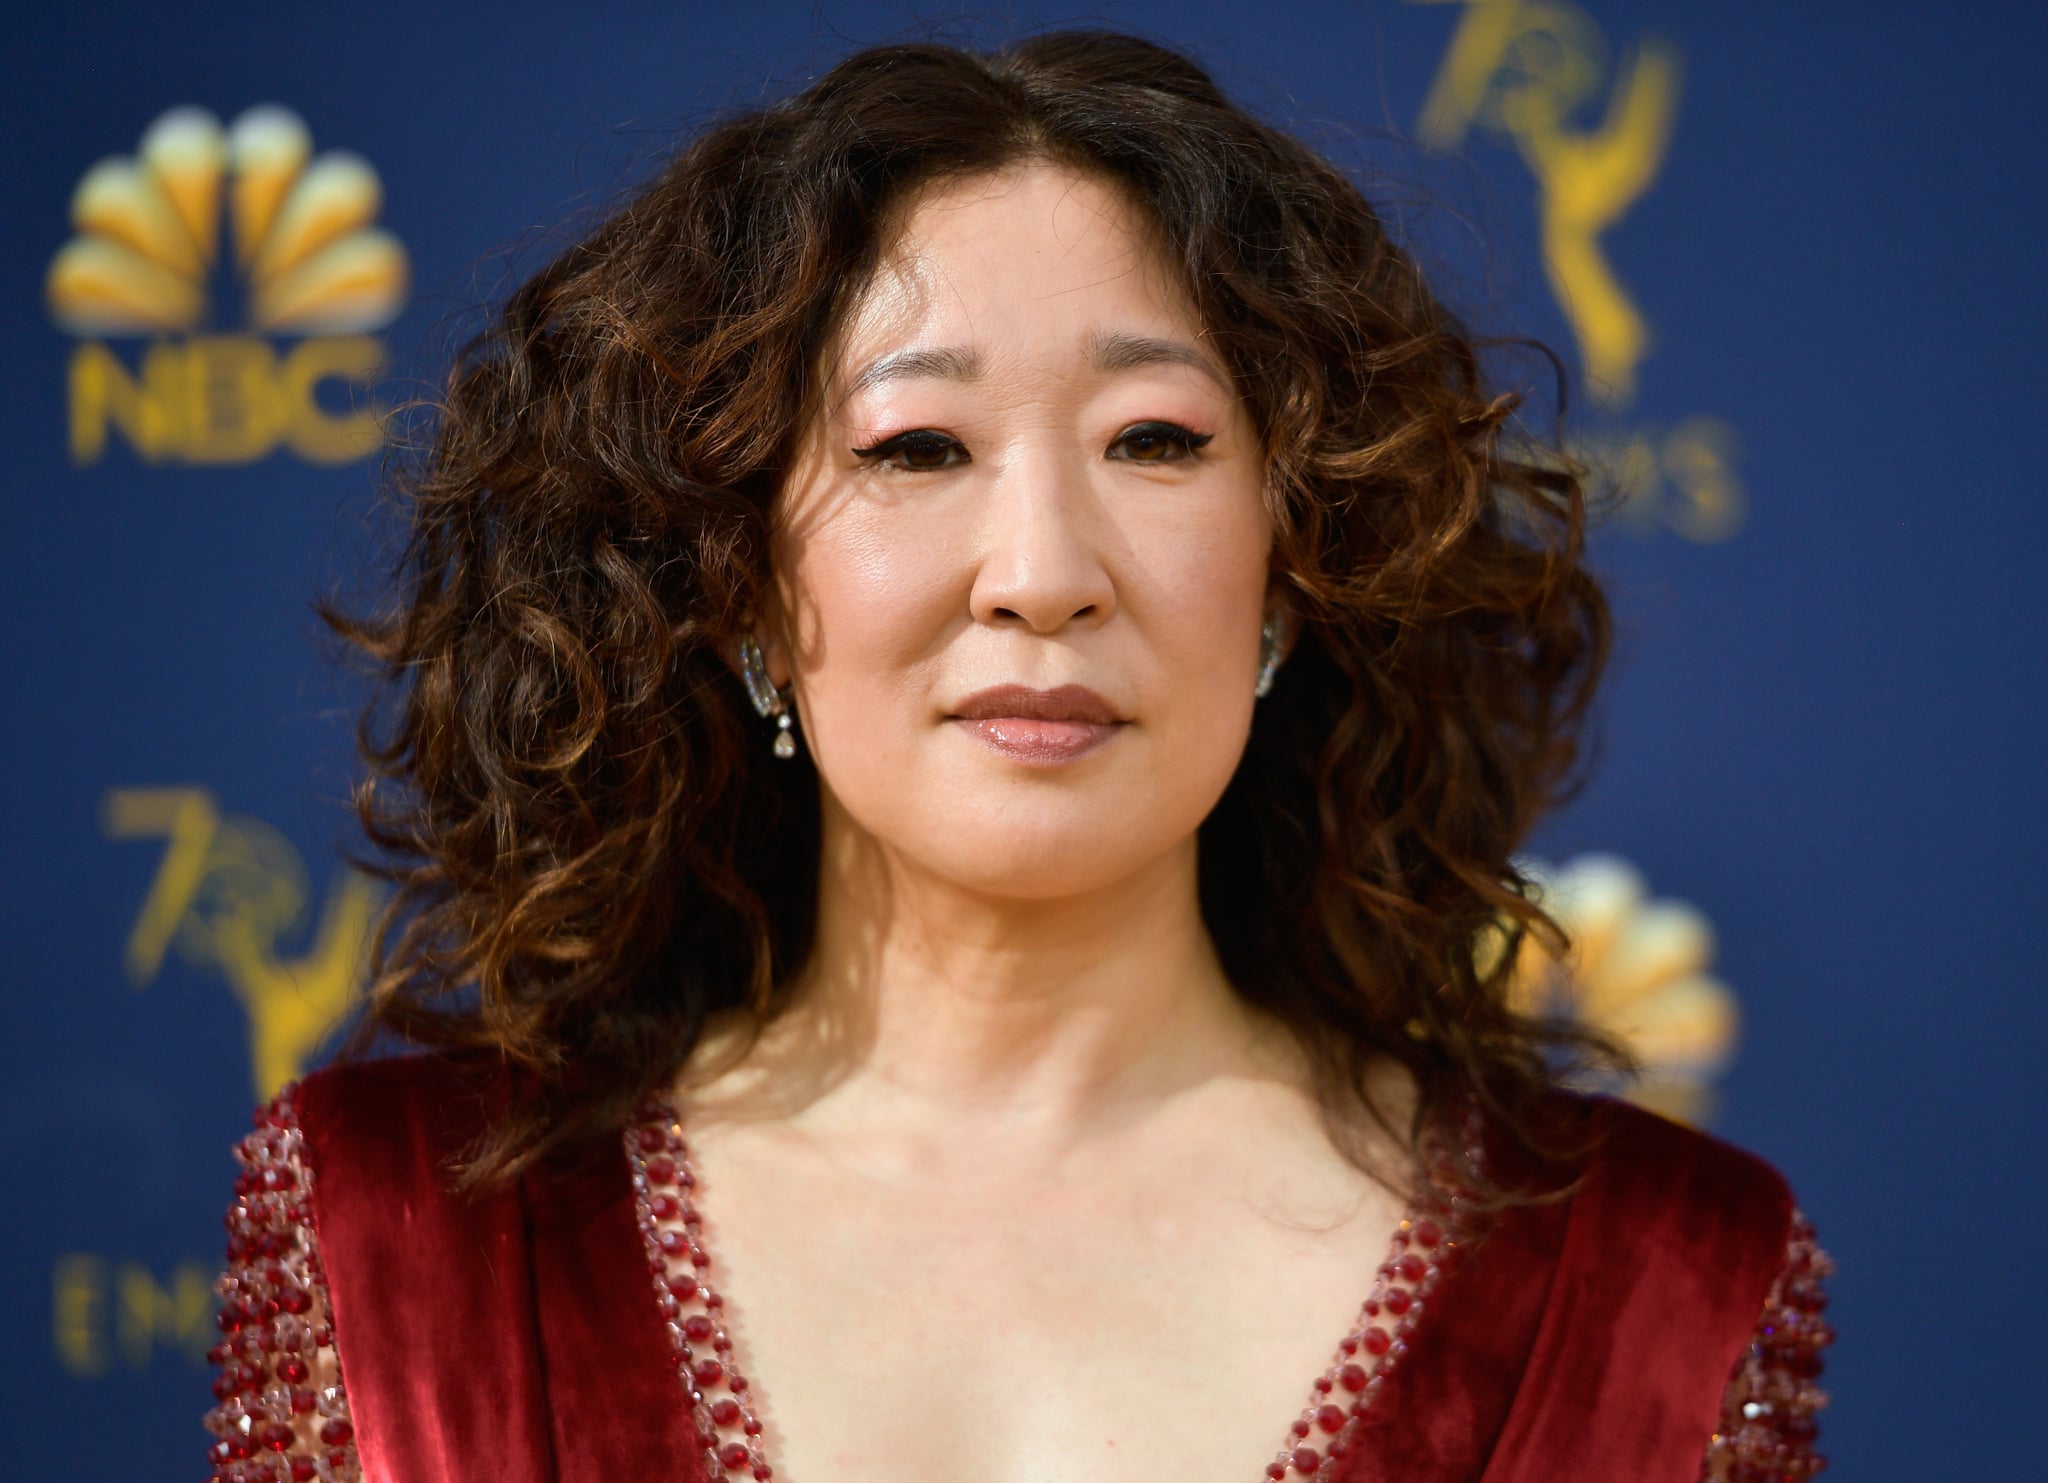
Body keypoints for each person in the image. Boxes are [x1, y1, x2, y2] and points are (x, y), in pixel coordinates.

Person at [203, 31, 1831, 1483]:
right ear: (740, 583)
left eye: (1156, 442)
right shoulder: (390, 1241)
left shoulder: (1662, 1287)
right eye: (917, 447)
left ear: (1296, 555)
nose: (1044, 568)